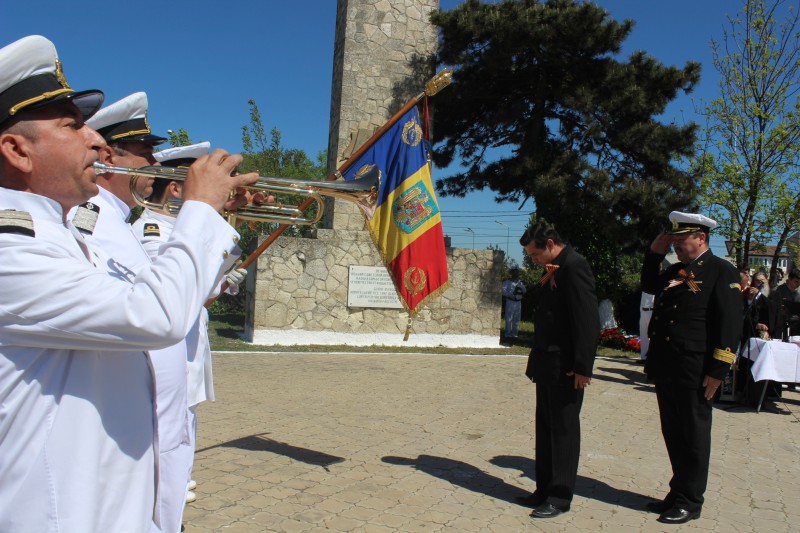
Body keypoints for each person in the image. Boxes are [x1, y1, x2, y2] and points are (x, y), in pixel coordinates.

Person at [0, 35, 257, 533]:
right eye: (72, 126)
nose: (95, 141)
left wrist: (216, 222)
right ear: (17, 150)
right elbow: (152, 315)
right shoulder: (10, 247)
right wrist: (200, 209)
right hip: (58, 513)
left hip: (107, 501)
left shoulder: (62, 232)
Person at [78, 93, 242, 532]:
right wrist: (203, 210)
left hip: (158, 386)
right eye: (146, 156)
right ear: (111, 158)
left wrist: (222, 222)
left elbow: (190, 288)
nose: (154, 167)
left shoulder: (119, 218)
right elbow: (160, 306)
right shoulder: (106, 220)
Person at [132, 141, 247, 505]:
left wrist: (230, 222)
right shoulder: (153, 227)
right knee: (168, 422)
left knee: (185, 419)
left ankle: (176, 482)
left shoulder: (179, 226)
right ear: (178, 188)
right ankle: (167, 491)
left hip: (188, 339)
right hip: (169, 344)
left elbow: (205, 288)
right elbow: (180, 291)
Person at [641, 211, 742, 525]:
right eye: (673, 240)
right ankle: (678, 491)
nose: (676, 245)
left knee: (694, 435)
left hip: (696, 368)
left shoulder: (721, 271)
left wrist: (718, 370)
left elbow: (729, 326)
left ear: (701, 237)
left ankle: (691, 501)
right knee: (673, 431)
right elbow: (649, 286)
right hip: (668, 364)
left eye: (681, 239)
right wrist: (654, 254)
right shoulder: (676, 269)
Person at [515, 221, 599, 519]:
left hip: (566, 367)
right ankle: (543, 489)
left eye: (535, 254)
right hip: (547, 363)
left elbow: (586, 321)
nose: (533, 260)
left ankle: (560, 496)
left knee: (564, 431)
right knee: (546, 428)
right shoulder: (553, 267)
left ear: (550, 244)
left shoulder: (575, 266)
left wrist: (582, 367)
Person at [501, 266, 526, 340]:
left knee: (517, 318)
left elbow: (523, 291)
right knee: (509, 318)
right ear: (511, 273)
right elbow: (503, 291)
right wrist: (511, 296)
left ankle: (515, 334)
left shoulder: (520, 282)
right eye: (514, 272)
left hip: (518, 302)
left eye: (517, 272)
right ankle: (507, 333)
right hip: (510, 301)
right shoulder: (506, 282)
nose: (516, 273)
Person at [638, 291, 655, 363]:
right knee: (643, 335)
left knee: (651, 335)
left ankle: (651, 357)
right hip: (643, 311)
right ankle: (644, 358)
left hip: (651, 311)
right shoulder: (645, 288)